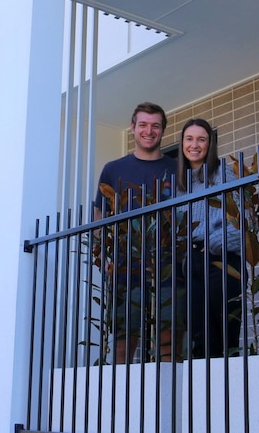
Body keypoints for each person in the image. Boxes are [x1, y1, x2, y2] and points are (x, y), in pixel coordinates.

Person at [93, 102, 178, 363]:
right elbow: (100, 217)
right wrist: (104, 255)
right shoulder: (113, 169)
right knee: (123, 342)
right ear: (132, 128)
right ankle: (121, 401)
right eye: (143, 124)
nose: (149, 131)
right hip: (124, 266)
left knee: (168, 341)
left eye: (155, 126)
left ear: (163, 130)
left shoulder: (177, 168)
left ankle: (168, 400)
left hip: (168, 264)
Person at [177, 118, 243, 358]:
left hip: (221, 262)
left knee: (226, 338)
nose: (195, 145)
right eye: (189, 139)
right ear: (182, 144)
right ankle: (206, 395)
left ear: (210, 144)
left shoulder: (224, 173)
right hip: (192, 265)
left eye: (201, 139)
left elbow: (244, 221)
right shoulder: (179, 185)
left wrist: (217, 241)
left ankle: (229, 393)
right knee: (199, 339)